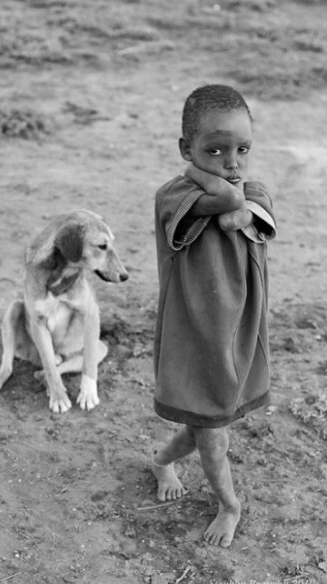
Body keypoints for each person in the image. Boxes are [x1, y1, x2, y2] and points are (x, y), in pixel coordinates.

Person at [152, 84, 276, 548]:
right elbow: (225, 206)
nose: (233, 162)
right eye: (215, 150)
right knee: (211, 432)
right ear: (186, 149)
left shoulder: (257, 192)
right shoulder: (171, 197)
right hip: (195, 335)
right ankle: (230, 505)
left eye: (243, 149)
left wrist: (226, 188)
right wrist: (206, 180)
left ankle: (162, 460)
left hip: (239, 333)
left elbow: (237, 216)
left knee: (206, 420)